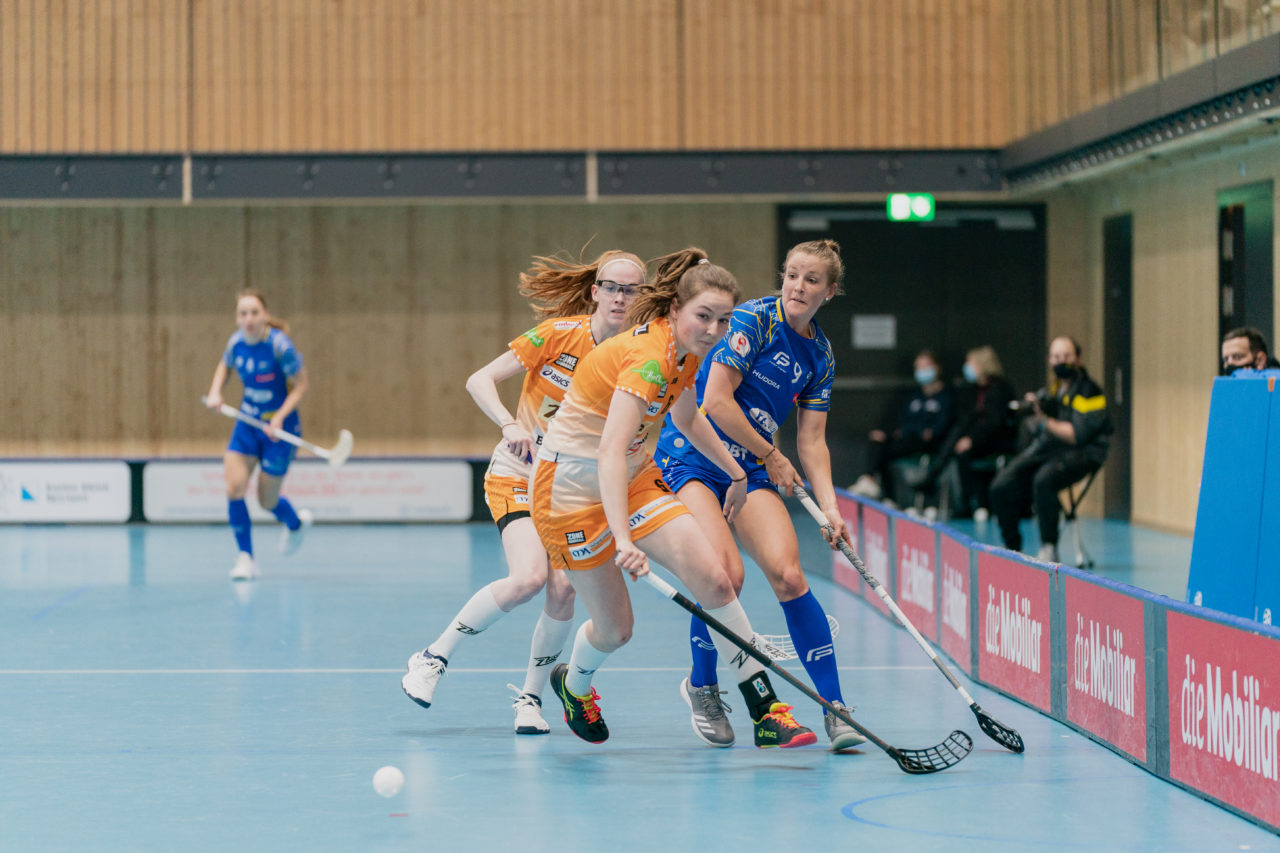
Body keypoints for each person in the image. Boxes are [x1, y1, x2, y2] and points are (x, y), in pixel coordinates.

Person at [531, 247, 816, 748]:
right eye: (703, 317)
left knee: (716, 580)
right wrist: (623, 539)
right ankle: (573, 686)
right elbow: (609, 451)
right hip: (570, 492)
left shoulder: (686, 352)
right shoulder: (647, 359)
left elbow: (686, 417)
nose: (713, 330)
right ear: (675, 310)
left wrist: (736, 472)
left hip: (633, 478)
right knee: (616, 630)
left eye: (723, 320)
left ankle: (766, 710)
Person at [400, 249, 646, 735]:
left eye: (630, 290)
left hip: (571, 490)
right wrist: (508, 423)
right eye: (612, 287)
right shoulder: (558, 335)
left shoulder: (635, 357)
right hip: (517, 474)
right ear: (595, 291)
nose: (620, 297)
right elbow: (479, 379)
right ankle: (433, 657)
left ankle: (530, 699)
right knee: (530, 578)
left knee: (563, 591)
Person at [654, 239, 865, 751]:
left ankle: (835, 707)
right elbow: (715, 401)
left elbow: (811, 441)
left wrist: (830, 509)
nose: (798, 286)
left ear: (830, 291)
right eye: (791, 275)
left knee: (789, 576)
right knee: (724, 576)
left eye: (811, 280)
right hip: (693, 457)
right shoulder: (754, 320)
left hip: (750, 466)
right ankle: (703, 686)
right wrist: (771, 454)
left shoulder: (820, 355)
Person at [203, 289, 313, 581]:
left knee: (267, 501)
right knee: (234, 488)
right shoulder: (236, 343)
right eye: (243, 313)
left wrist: (279, 417)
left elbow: (301, 385)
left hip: (281, 431)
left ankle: (295, 524)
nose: (249, 319)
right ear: (237, 318)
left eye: (254, 313)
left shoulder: (280, 346)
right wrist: (215, 392)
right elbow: (224, 366)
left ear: (265, 316)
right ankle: (246, 559)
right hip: (247, 424)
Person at [989, 336, 1111, 563]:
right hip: (1050, 450)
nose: (1061, 361)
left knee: (1043, 480)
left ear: (1078, 359)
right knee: (1001, 486)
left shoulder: (1090, 392)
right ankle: (1011, 548)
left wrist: (1044, 420)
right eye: (1056, 356)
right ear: (1049, 360)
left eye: (1066, 356)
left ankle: (1049, 547)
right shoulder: (1052, 390)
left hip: (1084, 453)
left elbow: (1078, 435)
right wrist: (1032, 411)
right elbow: (1038, 426)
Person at [915, 345, 1017, 515]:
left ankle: (973, 501)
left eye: (970, 363)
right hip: (979, 438)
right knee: (957, 435)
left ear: (982, 365)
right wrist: (967, 437)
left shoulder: (1000, 388)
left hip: (998, 439)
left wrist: (971, 440)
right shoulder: (974, 389)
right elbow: (969, 419)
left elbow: (994, 423)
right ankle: (962, 498)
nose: (966, 368)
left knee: (963, 449)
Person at [849, 349, 954, 502]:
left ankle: (872, 481)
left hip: (931, 444)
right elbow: (905, 423)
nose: (922, 371)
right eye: (918, 367)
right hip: (908, 439)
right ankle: (876, 487)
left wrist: (922, 432)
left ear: (937, 368)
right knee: (879, 442)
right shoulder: (914, 397)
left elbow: (941, 426)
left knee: (887, 448)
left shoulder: (946, 397)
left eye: (925, 366)